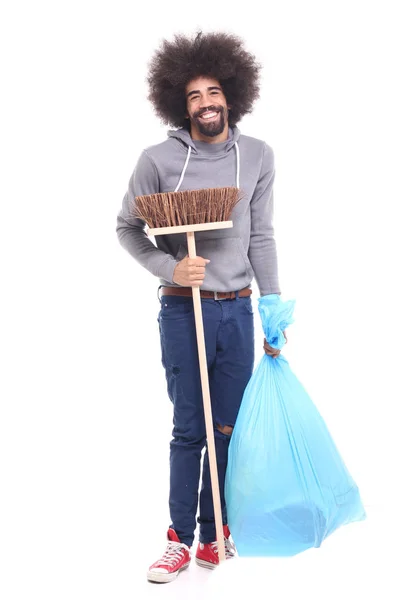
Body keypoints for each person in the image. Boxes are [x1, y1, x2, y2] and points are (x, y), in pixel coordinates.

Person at [116, 31, 286, 583]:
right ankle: (178, 539)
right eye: (194, 95)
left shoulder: (257, 156)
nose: (206, 102)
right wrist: (171, 269)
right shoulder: (157, 161)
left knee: (228, 429)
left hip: (237, 310)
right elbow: (127, 228)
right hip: (183, 310)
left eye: (214, 91)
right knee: (190, 428)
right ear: (178, 103)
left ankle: (217, 534)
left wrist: (273, 306)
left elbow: (260, 235)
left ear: (232, 94)